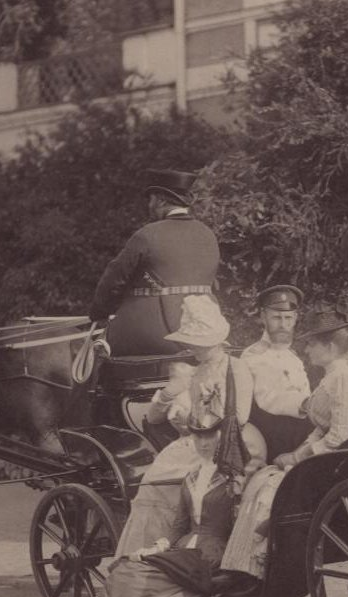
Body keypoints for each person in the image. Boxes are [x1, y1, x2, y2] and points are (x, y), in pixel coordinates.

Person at [221, 312, 348, 580]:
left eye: (311, 344)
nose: (306, 349)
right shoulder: (332, 377)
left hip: (335, 462)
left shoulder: (343, 379)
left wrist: (299, 457)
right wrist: (295, 453)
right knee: (264, 478)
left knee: (270, 486)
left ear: (329, 347)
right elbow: (322, 427)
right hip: (327, 455)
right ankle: (249, 566)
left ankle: (259, 568)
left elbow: (339, 435)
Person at [79, 420, 242, 597]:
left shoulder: (232, 479)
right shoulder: (191, 476)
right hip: (182, 549)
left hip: (211, 554)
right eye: (198, 437)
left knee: (150, 584)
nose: (203, 443)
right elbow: (179, 525)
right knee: (125, 573)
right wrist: (158, 546)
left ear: (221, 439)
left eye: (209, 437)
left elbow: (239, 526)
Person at [111, 295, 265, 560]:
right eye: (192, 343)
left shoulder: (237, 369)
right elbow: (154, 418)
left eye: (200, 343)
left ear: (217, 340)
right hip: (194, 441)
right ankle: (150, 557)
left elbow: (239, 417)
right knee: (153, 483)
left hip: (229, 441)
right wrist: (172, 393)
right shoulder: (193, 372)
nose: (194, 349)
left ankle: (179, 550)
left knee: (172, 480)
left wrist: (200, 417)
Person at [88, 169, 220, 357]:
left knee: (93, 358)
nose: (149, 206)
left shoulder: (147, 235)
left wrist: (99, 314)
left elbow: (114, 281)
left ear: (160, 201)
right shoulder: (208, 235)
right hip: (207, 331)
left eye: (150, 200)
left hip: (153, 333)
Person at [239, 284, 313, 461]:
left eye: (288, 318)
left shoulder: (293, 357)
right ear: (263, 317)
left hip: (300, 435)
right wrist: (307, 404)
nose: (283, 325)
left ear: (295, 318)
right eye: (276, 317)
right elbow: (270, 398)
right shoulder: (254, 356)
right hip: (272, 441)